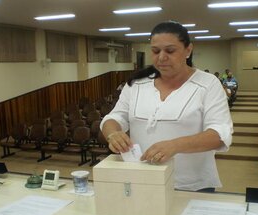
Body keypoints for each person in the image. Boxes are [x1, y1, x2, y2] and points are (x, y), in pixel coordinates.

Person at [100, 21, 233, 192]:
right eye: (155, 51)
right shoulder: (137, 84)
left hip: (191, 184)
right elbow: (115, 117)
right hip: (142, 180)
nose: (161, 57)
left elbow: (220, 134)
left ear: (188, 50)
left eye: (170, 51)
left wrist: (175, 145)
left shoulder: (208, 84)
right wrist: (113, 134)